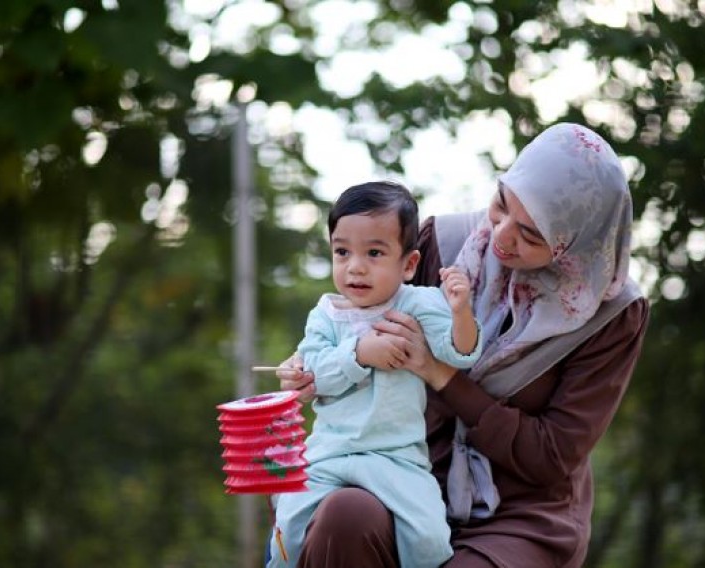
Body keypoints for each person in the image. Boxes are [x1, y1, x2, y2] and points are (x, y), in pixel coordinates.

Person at [278, 123, 650, 567]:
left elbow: (552, 455)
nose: (501, 237)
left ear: (574, 244)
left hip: (521, 512)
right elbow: (356, 322)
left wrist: (441, 374)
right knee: (344, 516)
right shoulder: (444, 244)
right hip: (402, 472)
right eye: (500, 205)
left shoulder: (610, 314)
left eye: (531, 235)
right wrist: (312, 367)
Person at [267, 181, 483, 568]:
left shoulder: (417, 303)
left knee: (430, 538)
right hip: (327, 455)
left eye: (374, 253)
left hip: (395, 458)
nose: (355, 266)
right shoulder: (327, 313)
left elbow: (460, 353)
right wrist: (360, 353)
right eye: (342, 251)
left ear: (409, 265)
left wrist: (461, 311)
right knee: (289, 523)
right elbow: (315, 374)